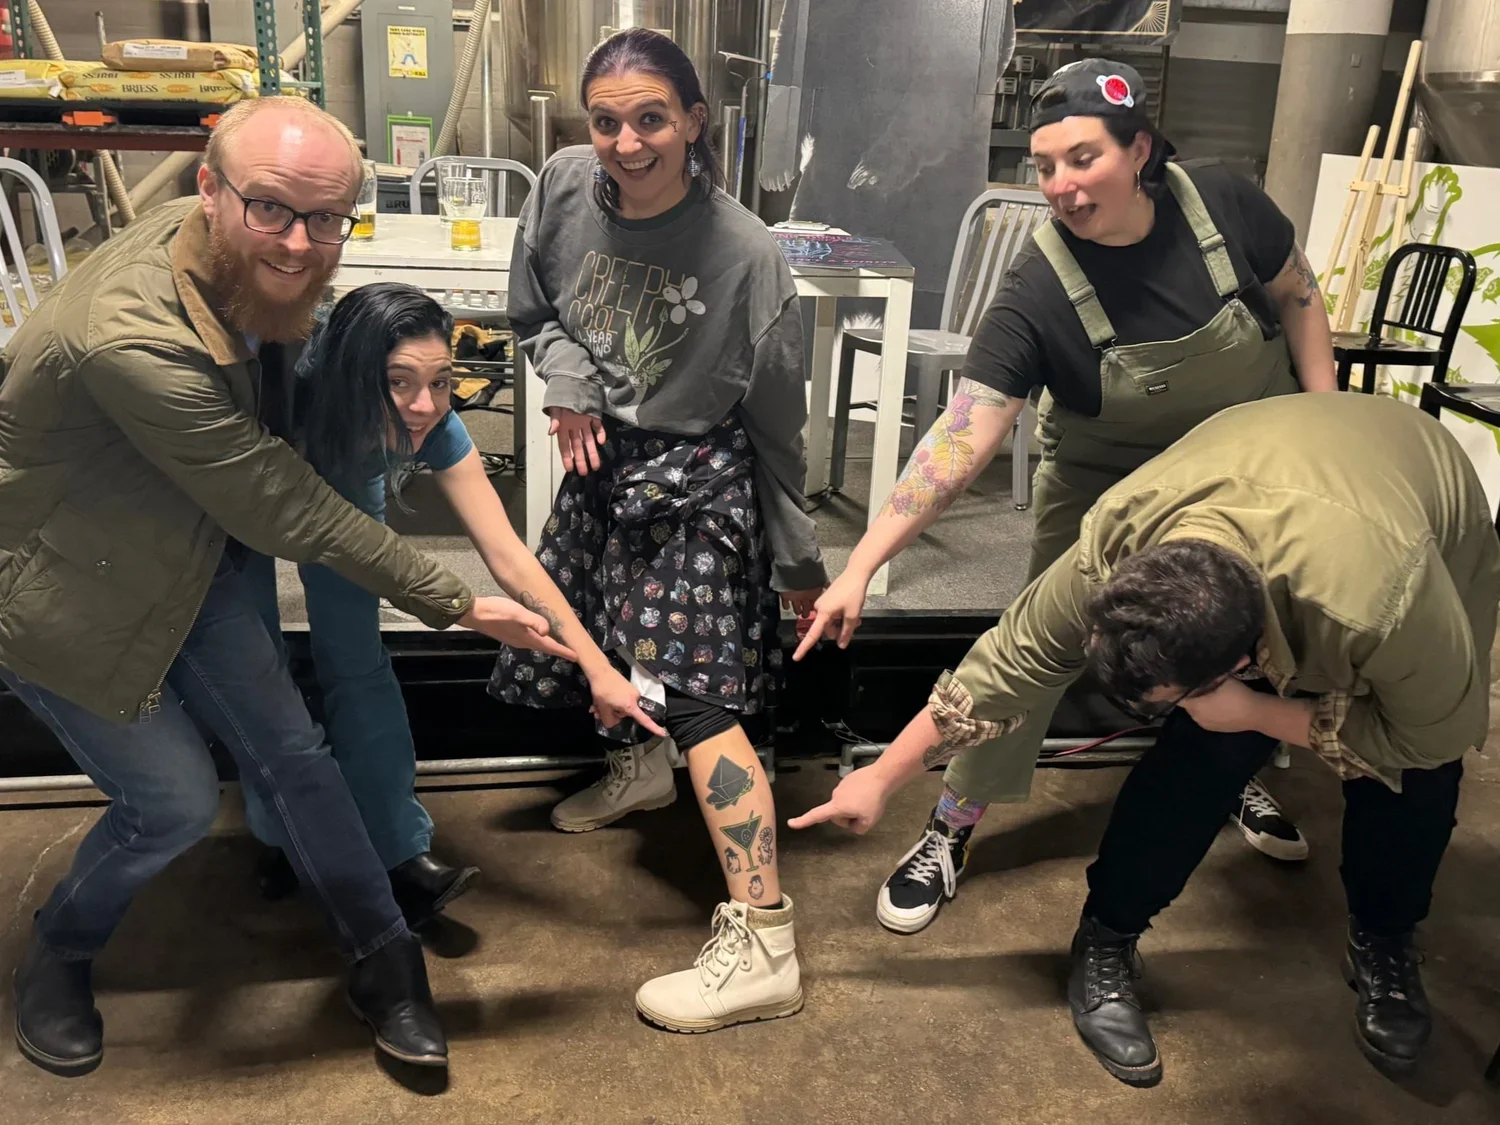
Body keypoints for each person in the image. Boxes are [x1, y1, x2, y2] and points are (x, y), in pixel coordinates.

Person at [0, 97, 566, 1076]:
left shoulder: (236, 256)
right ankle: (61, 945)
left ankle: (387, 965)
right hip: (62, 587)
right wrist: (458, 601)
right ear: (209, 190)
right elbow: (281, 503)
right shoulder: (130, 335)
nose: (301, 244)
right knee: (174, 803)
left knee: (295, 752)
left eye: (327, 219)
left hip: (187, 550)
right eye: (272, 209)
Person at [791, 392, 1497, 1083]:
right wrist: (881, 776)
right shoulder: (1118, 541)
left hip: (1412, 504)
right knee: (1195, 759)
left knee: (1408, 786)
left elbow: (1431, 737)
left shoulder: (1383, 605)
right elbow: (1007, 665)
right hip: (1275, 458)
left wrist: (1260, 715)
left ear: (1242, 662)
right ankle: (1107, 935)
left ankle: (1384, 937)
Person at [794, 59, 1338, 934]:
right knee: (1033, 648)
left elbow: (1299, 296)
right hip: (1103, 482)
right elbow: (962, 436)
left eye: (1083, 158)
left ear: (1141, 150)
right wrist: (860, 564)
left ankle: (1231, 770)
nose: (1060, 186)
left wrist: (1323, 421)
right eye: (1046, 166)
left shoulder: (1228, 205)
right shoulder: (1039, 286)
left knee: (1249, 634)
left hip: (1244, 474)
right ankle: (952, 821)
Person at [489, 28, 826, 1032]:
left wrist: (798, 557)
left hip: (696, 477)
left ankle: (766, 944)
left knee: (693, 694)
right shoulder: (562, 185)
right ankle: (638, 775)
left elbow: (780, 426)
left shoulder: (746, 254)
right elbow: (533, 310)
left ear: (693, 122)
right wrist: (568, 382)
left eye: (651, 119)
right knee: (599, 634)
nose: (627, 143)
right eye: (607, 121)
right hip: (602, 462)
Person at [241, 283, 663, 923]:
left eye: (441, 382)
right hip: (248, 485)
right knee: (253, 668)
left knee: (357, 661)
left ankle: (398, 851)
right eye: (399, 382)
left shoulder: (432, 421)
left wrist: (598, 667)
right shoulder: (281, 395)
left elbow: (510, 556)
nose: (424, 405)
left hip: (350, 468)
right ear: (353, 375)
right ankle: (284, 834)